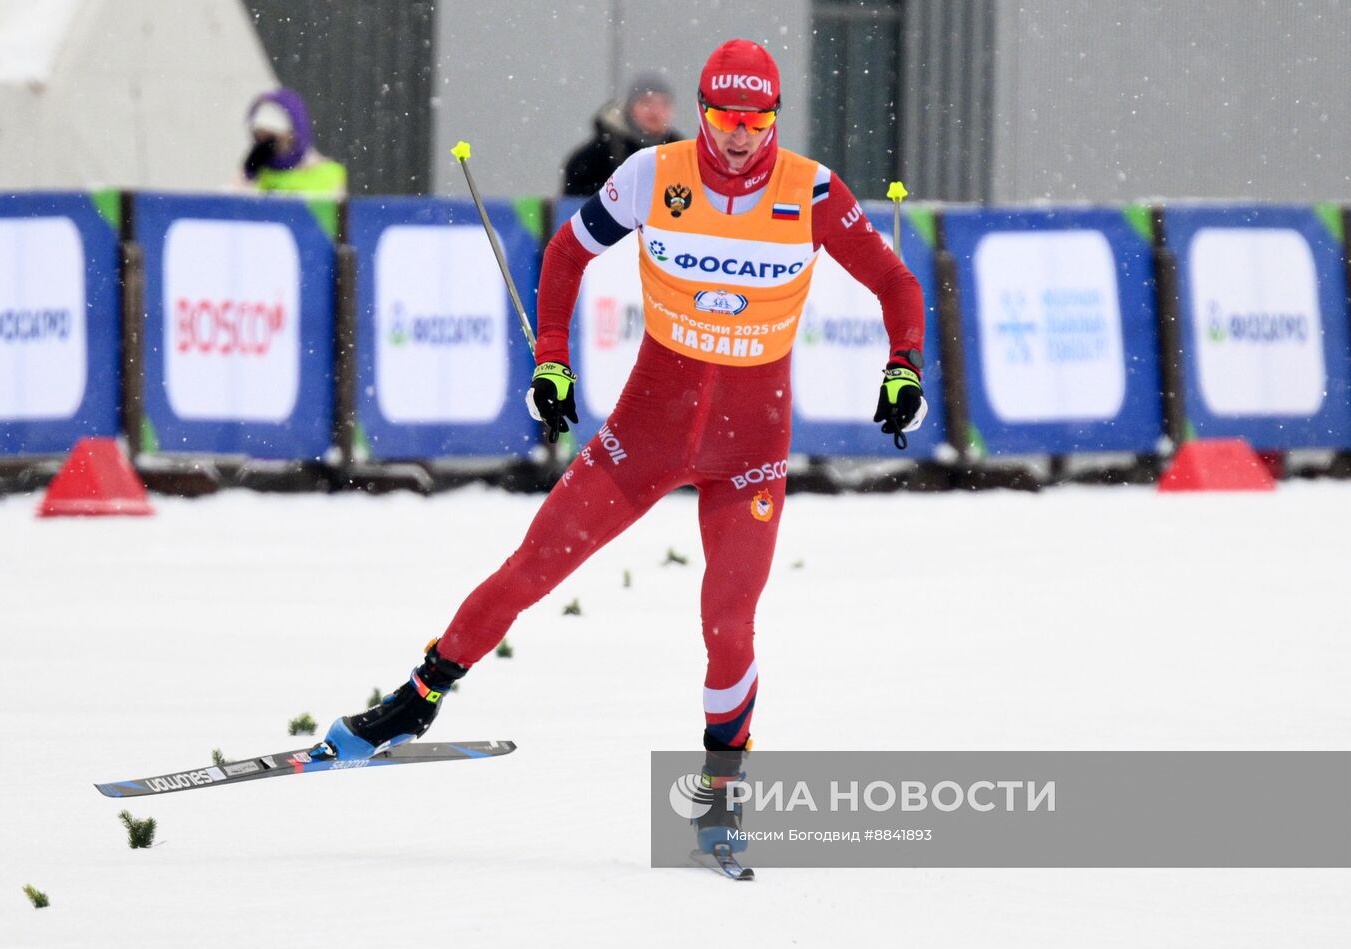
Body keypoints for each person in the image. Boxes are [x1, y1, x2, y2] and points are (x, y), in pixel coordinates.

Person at [321, 39, 926, 859]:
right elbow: (569, 252)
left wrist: (903, 367)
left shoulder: (813, 190)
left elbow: (897, 284)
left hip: (750, 449)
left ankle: (720, 794)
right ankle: (414, 699)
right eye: (724, 118)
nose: (740, 136)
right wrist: (551, 360)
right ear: (704, 113)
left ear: (774, 118)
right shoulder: (653, 174)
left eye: (756, 120)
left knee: (730, 625)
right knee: (529, 570)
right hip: (644, 438)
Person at [562, 73, 683, 196]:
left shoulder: (684, 155)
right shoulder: (591, 159)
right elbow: (575, 210)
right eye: (646, 102)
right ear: (629, 107)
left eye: (664, 103)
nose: (655, 111)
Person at [241, 88, 347, 194]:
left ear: (293, 133)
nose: (264, 143)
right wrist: (246, 177)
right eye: (258, 136)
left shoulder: (328, 173)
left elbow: (337, 208)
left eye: (271, 136)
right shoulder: (256, 174)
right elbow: (236, 204)